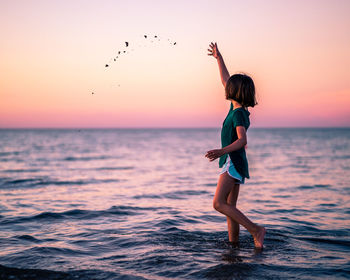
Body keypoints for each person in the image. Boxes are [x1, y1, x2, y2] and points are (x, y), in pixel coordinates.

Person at [205, 42, 266, 249]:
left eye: (230, 87)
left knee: (218, 204)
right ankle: (234, 247)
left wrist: (222, 151)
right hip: (234, 161)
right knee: (230, 207)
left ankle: (256, 230)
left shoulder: (238, 113)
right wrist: (218, 58)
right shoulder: (236, 107)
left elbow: (242, 140)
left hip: (232, 161)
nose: (226, 87)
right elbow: (225, 79)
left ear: (235, 92)